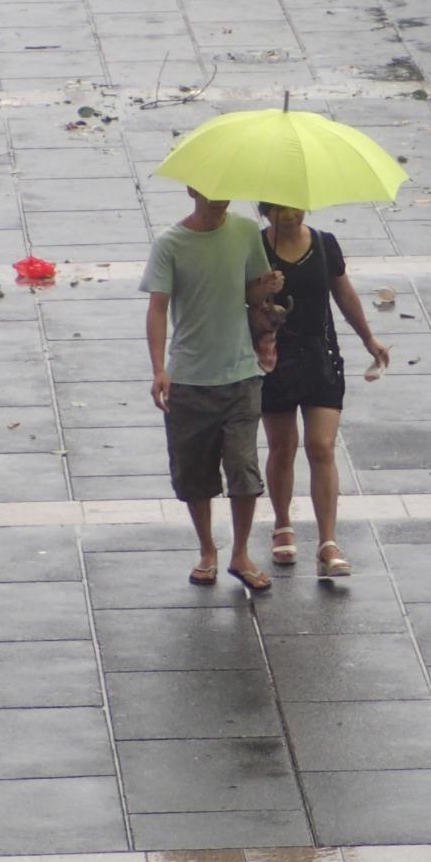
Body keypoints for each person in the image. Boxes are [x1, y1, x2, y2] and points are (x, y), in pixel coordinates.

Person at [142, 188, 285, 591]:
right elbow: (157, 307)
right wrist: (158, 368)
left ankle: (240, 552)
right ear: (192, 190)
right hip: (189, 376)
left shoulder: (245, 231)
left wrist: (267, 286)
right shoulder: (171, 244)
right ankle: (207, 549)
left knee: (243, 468)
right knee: (194, 473)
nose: (219, 197)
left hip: (240, 373)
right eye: (210, 189)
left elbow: (250, 294)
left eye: (226, 189)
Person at [255, 203, 390, 579]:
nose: (290, 215)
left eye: (295, 206)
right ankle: (282, 523)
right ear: (266, 210)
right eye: (280, 209)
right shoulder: (255, 248)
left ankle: (328, 541)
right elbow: (241, 300)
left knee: (321, 446)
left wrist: (369, 339)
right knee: (282, 446)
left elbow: (343, 294)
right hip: (274, 358)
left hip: (320, 355)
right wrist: (261, 289)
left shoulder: (324, 243)